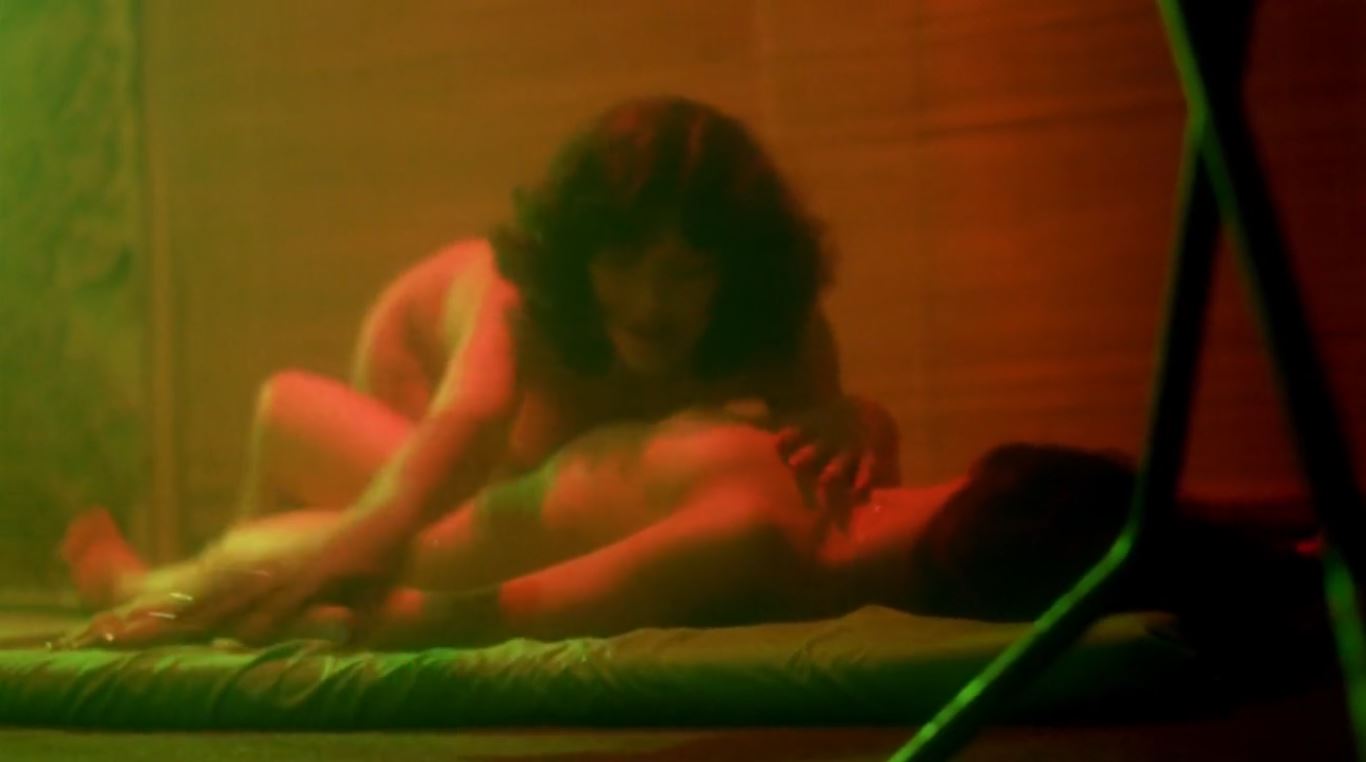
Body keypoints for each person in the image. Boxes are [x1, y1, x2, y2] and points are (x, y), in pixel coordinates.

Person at [62, 95, 901, 641]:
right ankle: (145, 585)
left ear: (736, 269)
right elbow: (465, 426)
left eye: (686, 273)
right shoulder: (520, 299)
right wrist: (359, 543)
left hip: (491, 448)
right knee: (411, 539)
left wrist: (858, 421)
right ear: (579, 254)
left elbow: (831, 487)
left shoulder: (775, 324)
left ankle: (197, 580)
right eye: (624, 262)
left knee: (472, 532)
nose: (652, 306)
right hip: (421, 379)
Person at [56, 409, 1319, 651]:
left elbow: (482, 613)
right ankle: (127, 568)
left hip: (425, 527)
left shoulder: (789, 498)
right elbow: (474, 611)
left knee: (209, 554)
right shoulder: (770, 529)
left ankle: (137, 566)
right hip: (375, 540)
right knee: (192, 567)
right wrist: (255, 608)